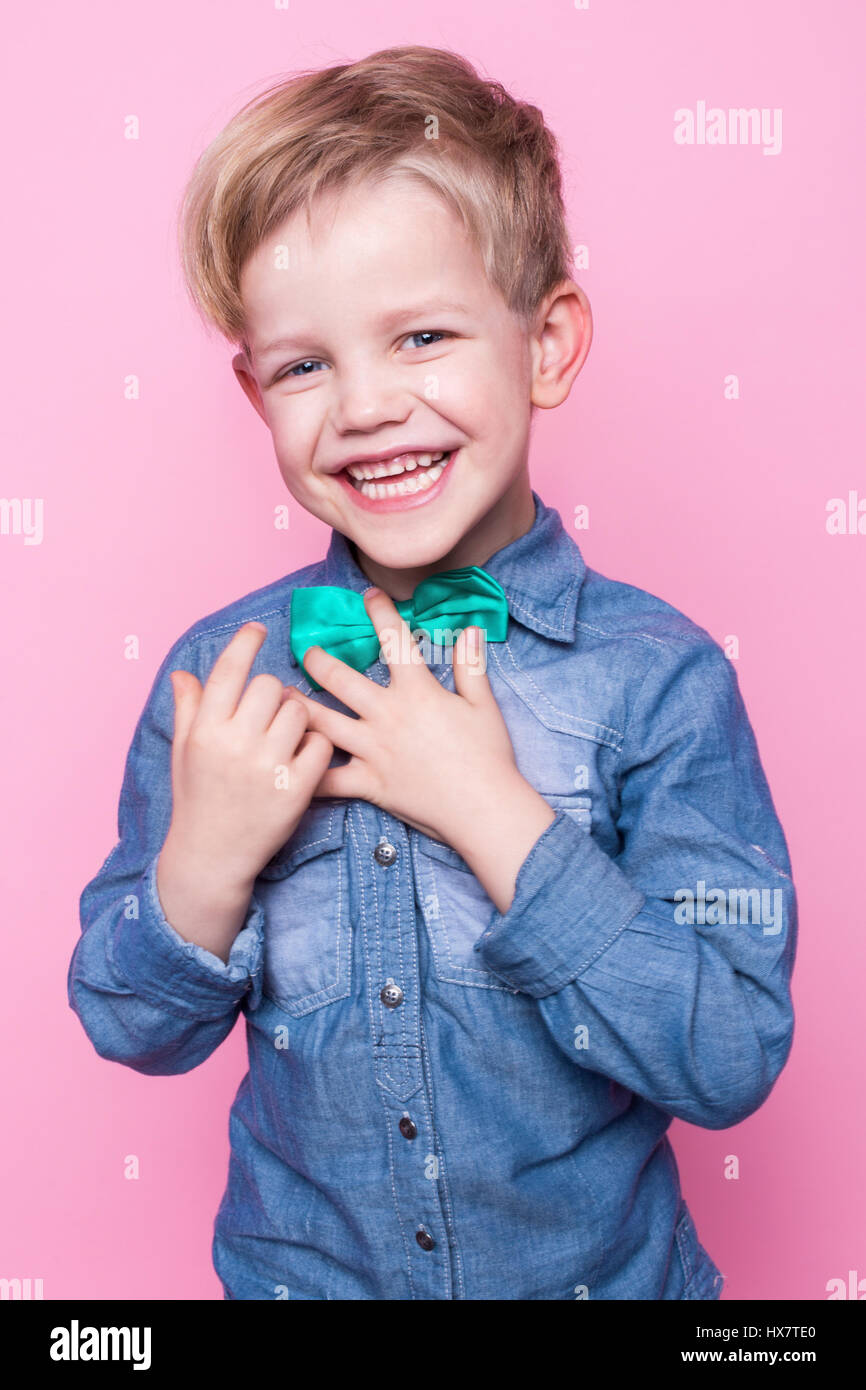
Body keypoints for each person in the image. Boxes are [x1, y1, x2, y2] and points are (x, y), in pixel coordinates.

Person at [68, 45, 797, 1300]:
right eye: (304, 364)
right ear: (255, 395)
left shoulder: (660, 680)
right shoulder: (222, 678)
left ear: (547, 344)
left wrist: (493, 814)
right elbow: (129, 1024)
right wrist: (202, 864)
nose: (361, 406)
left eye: (420, 335)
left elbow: (726, 1054)